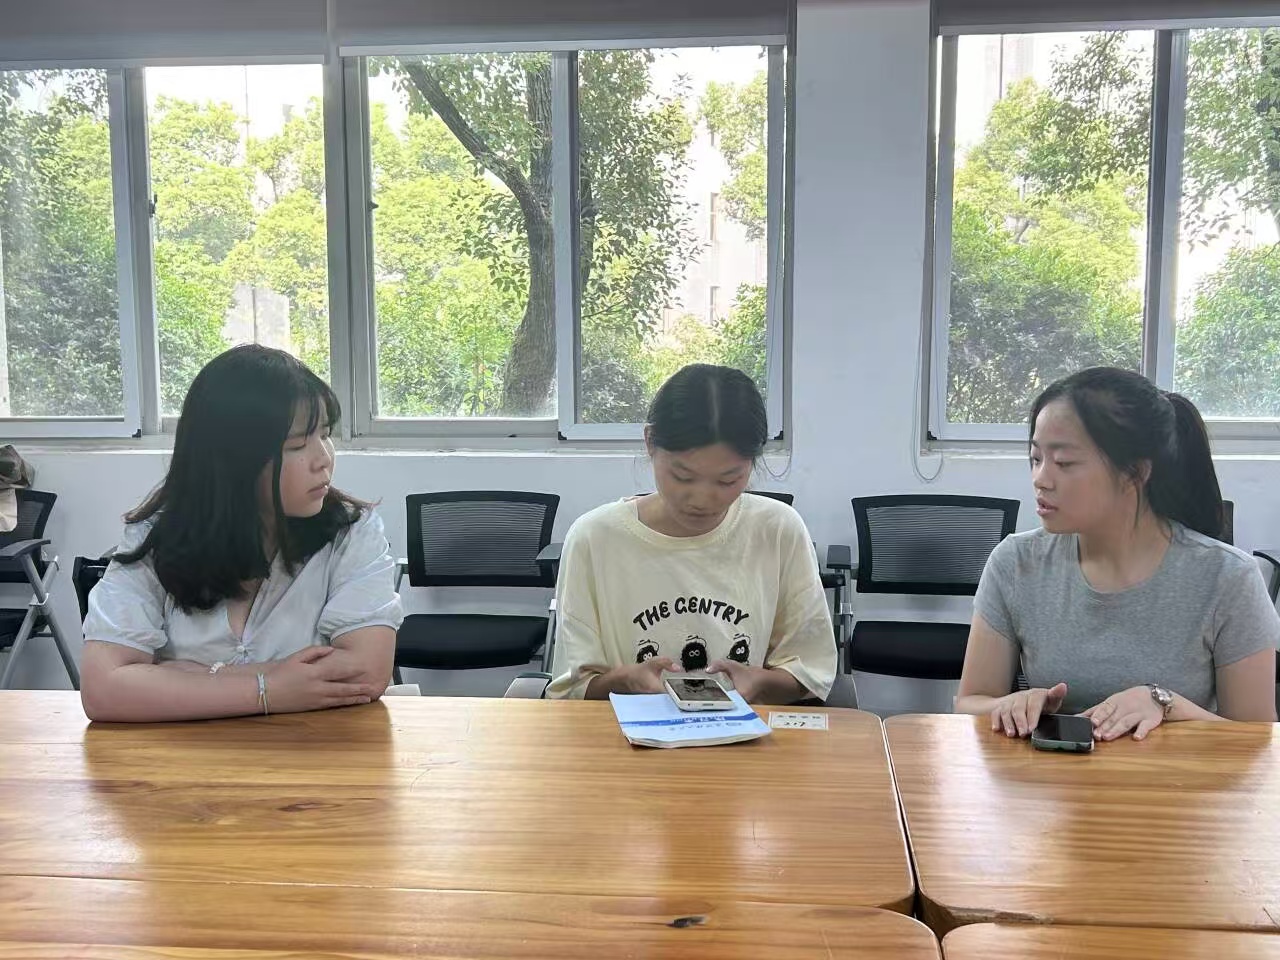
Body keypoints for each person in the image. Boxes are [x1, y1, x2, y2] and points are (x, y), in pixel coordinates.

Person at [80, 345, 403, 722]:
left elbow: (366, 673)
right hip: (179, 753)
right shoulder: (155, 537)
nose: (324, 459)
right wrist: (270, 688)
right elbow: (103, 689)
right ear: (233, 459)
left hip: (312, 748)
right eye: (297, 445)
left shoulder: (352, 532)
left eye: (325, 434)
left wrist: (180, 677)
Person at [956, 367, 1278, 741]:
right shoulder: (1015, 563)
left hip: (1176, 778)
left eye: (1064, 463)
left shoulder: (1228, 577)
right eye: (1036, 458)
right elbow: (969, 703)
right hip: (1052, 777)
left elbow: (1259, 740)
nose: (1040, 479)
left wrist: (1167, 704)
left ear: (1135, 472)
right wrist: (1010, 705)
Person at [546, 364, 836, 704]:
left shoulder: (778, 529)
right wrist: (624, 681)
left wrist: (760, 681)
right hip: (623, 734)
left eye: (728, 480)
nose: (702, 500)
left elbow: (810, 671)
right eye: (683, 477)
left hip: (744, 733)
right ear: (649, 442)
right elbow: (571, 690)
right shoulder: (594, 539)